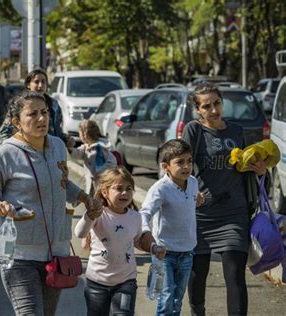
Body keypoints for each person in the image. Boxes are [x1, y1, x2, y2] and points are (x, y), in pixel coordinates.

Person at [0, 91, 101, 315]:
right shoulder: (4, 154)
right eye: (32, 114)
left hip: (56, 253)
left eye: (44, 112)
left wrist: (84, 197)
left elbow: (60, 181)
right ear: (16, 122)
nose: (41, 119)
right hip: (19, 256)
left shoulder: (57, 146)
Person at [181, 83, 267, 316]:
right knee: (198, 274)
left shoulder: (238, 132)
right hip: (200, 215)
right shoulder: (193, 131)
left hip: (234, 213)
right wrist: (190, 190)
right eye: (206, 106)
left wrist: (260, 170)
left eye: (216, 103)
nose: (213, 110)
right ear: (198, 110)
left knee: (235, 275)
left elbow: (249, 166)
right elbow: (182, 166)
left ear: (222, 102)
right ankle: (197, 312)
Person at [74, 166, 164, 316]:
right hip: (97, 282)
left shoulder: (135, 216)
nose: (125, 192)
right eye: (119, 188)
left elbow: (137, 241)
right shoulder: (99, 214)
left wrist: (154, 247)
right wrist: (90, 215)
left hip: (126, 282)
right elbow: (79, 233)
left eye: (129, 188)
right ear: (105, 192)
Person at [140, 139, 202, 315]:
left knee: (177, 299)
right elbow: (145, 213)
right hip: (164, 253)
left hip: (187, 252)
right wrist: (146, 234)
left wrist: (197, 201)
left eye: (189, 161)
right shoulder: (160, 189)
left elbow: (186, 205)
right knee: (166, 298)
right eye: (180, 162)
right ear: (165, 166)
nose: (186, 166)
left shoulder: (192, 182)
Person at [0, 68, 68, 143]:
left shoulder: (54, 105)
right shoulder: (20, 105)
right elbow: (4, 134)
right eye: (36, 82)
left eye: (43, 82)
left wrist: (67, 139)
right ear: (28, 84)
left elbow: (58, 131)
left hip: (51, 151)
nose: (40, 85)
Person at [68, 119, 117, 194]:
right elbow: (78, 153)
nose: (79, 136)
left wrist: (99, 172)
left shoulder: (101, 147)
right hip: (92, 184)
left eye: (80, 134)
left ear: (85, 134)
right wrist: (70, 149)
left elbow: (112, 162)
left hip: (103, 184)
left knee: (100, 202)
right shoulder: (87, 147)